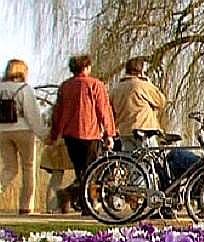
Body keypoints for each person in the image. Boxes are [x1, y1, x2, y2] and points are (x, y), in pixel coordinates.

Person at [48, 55, 117, 214]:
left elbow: (57, 112)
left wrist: (54, 134)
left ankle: (70, 196)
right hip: (90, 133)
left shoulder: (65, 86)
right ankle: (85, 203)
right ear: (86, 68)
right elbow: (103, 110)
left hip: (70, 134)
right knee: (91, 170)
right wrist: (109, 133)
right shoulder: (95, 85)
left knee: (81, 170)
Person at [0, 59, 48, 215]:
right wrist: (43, 134)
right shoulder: (24, 89)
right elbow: (32, 114)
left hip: (2, 131)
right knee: (28, 167)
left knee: (9, 168)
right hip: (23, 130)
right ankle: (26, 206)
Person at [109, 58, 167, 151]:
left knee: (131, 160)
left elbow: (111, 110)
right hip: (144, 130)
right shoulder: (142, 85)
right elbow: (161, 101)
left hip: (124, 131)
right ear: (140, 71)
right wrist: (148, 81)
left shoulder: (116, 89)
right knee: (152, 159)